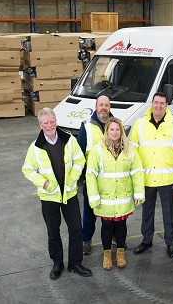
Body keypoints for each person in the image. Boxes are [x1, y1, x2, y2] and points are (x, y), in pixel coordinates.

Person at [22, 108, 91, 280]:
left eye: (52, 121)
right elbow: (28, 169)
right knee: (53, 232)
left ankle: (75, 263)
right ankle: (57, 264)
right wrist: (44, 183)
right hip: (49, 196)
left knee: (76, 229)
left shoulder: (69, 140)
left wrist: (74, 178)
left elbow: (79, 159)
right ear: (40, 125)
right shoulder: (35, 147)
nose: (50, 125)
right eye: (46, 122)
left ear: (56, 121)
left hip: (69, 194)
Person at [86, 117, 145, 270]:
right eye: (111, 129)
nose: (115, 132)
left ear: (121, 131)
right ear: (107, 131)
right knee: (106, 225)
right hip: (105, 197)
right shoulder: (97, 150)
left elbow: (137, 171)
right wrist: (94, 198)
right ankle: (107, 255)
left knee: (121, 225)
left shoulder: (129, 149)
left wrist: (139, 193)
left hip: (123, 196)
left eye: (117, 129)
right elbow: (90, 174)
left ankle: (120, 253)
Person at [130, 92, 173, 257]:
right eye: (156, 102)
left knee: (169, 213)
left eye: (162, 103)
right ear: (151, 103)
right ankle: (147, 240)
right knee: (147, 212)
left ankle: (170, 243)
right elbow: (133, 153)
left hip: (167, 179)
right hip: (146, 178)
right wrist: (135, 178)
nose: (158, 106)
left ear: (167, 105)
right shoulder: (139, 124)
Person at [77, 95, 113, 255]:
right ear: (96, 106)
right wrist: (83, 176)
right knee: (90, 212)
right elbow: (79, 153)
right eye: (101, 105)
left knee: (112, 211)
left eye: (106, 105)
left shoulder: (115, 125)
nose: (104, 108)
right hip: (92, 179)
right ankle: (86, 240)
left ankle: (113, 237)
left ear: (109, 107)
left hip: (111, 179)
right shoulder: (86, 126)